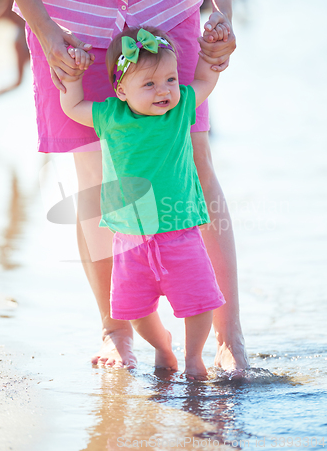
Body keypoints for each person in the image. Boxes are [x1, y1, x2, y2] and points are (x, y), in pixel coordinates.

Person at [0, 0, 249, 373]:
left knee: (195, 164)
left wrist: (223, 11)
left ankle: (229, 335)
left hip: (165, 6)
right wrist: (44, 30)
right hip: (68, 25)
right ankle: (115, 331)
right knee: (95, 181)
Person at [60, 26, 228, 378]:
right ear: (121, 90)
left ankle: (195, 357)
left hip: (179, 231)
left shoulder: (179, 112)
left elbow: (205, 82)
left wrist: (213, 52)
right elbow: (72, 105)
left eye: (169, 79)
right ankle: (162, 345)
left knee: (198, 303)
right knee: (135, 311)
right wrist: (73, 76)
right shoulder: (110, 116)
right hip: (129, 239)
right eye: (149, 84)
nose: (164, 90)